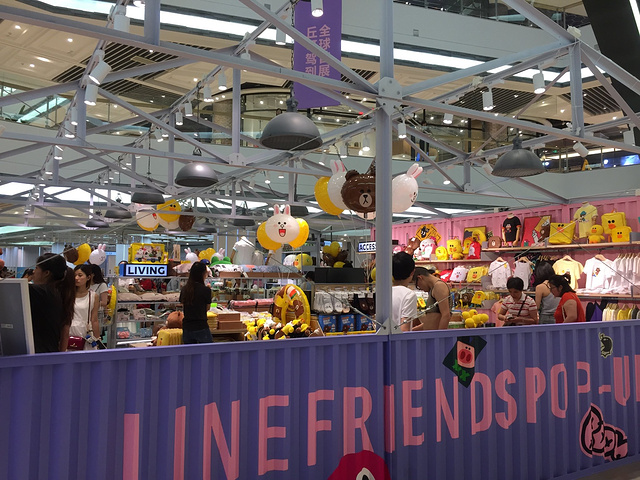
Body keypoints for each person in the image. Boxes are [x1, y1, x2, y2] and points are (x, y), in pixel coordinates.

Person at [29, 253, 76, 353]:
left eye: (36, 268)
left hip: (39, 353)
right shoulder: (55, 292)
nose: (33, 271)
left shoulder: (42, 292)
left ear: (46, 273)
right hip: (49, 353)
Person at [179, 261, 213, 344]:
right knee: (207, 351)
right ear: (203, 274)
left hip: (187, 327)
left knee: (190, 352)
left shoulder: (185, 289)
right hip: (201, 326)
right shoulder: (206, 290)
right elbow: (207, 308)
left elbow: (183, 306)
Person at [69, 265, 100, 350]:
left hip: (85, 331)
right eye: (74, 275)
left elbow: (94, 319)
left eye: (80, 275)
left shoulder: (93, 296)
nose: (76, 278)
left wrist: (97, 338)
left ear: (88, 277)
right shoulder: (68, 295)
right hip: (69, 330)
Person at [413, 265, 451, 330]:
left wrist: (440, 335)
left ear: (420, 278)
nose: (420, 288)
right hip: (430, 334)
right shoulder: (434, 288)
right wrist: (413, 330)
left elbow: (446, 315)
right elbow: (432, 320)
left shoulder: (439, 286)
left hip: (435, 335)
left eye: (417, 286)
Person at [391, 252, 417, 332]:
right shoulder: (409, 295)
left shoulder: (383, 293)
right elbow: (405, 329)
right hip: (398, 339)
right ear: (412, 272)